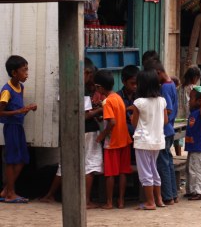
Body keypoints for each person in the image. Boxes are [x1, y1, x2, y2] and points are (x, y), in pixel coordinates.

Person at [40, 58, 103, 208]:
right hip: (86, 131)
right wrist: (100, 109)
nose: (91, 80)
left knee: (65, 164)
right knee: (90, 164)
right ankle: (86, 200)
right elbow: (85, 115)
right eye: (90, 76)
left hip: (69, 129)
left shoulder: (66, 85)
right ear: (87, 72)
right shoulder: (83, 89)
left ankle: (49, 195)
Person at [128, 69, 168, 210]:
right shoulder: (162, 101)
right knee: (153, 169)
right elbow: (165, 120)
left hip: (143, 141)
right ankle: (159, 200)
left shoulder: (139, 102)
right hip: (157, 141)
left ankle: (150, 202)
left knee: (145, 172)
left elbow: (134, 123)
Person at [0, 55, 37, 203]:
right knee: (11, 160)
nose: (27, 73)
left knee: (23, 159)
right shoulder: (6, 90)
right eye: (24, 70)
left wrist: (27, 109)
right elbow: (1, 112)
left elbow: (19, 109)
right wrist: (20, 111)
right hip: (10, 128)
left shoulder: (20, 87)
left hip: (19, 126)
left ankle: (6, 190)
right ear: (14, 73)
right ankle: (11, 193)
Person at [95, 69, 133, 209]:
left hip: (112, 142)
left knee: (110, 173)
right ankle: (121, 201)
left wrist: (101, 135)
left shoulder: (107, 102)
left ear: (100, 87)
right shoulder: (118, 98)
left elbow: (111, 122)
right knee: (123, 172)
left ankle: (110, 202)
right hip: (124, 139)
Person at [144, 60, 179, 205]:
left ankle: (168, 196)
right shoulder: (171, 84)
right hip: (169, 129)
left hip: (164, 130)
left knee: (163, 163)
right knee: (168, 162)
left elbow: (168, 110)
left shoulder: (164, 88)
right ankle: (173, 194)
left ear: (158, 73)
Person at [184, 86, 201, 200]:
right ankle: (192, 190)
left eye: (191, 99)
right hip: (193, 147)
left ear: (199, 101)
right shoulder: (193, 112)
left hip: (200, 148)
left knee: (199, 170)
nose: (189, 101)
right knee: (191, 170)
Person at [118, 65, 139, 162]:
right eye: (132, 83)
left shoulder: (140, 96)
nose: (135, 86)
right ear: (123, 81)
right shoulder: (118, 97)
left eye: (137, 83)